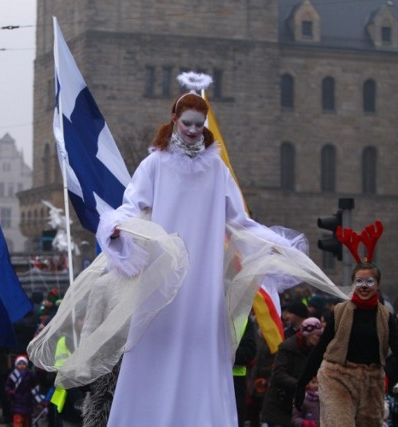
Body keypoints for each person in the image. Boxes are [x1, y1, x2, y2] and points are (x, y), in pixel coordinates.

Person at [93, 72, 306, 426]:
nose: (193, 130)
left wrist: (273, 245)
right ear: (174, 120)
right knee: (154, 344)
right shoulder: (155, 164)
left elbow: (240, 221)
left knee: (200, 348)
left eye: (199, 124)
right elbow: (132, 204)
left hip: (203, 279)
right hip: (162, 279)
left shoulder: (216, 172)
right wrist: (117, 228)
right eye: (187, 123)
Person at [296, 262, 398, 426]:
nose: (364, 286)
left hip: (371, 381)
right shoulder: (340, 311)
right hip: (338, 378)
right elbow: (320, 348)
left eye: (369, 282)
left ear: (377, 285)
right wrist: (302, 383)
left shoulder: (385, 316)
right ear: (353, 284)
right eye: (359, 281)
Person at [260, 317, 323, 426]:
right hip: (280, 404)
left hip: (300, 406)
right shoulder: (288, 348)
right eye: (317, 336)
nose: (319, 339)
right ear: (307, 334)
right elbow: (279, 374)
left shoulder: (315, 351)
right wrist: (301, 385)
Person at [5, 355, 45, 427]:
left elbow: (35, 384)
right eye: (20, 364)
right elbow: (8, 386)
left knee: (26, 421)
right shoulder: (13, 375)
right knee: (17, 420)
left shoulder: (30, 374)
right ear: (16, 365)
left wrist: (34, 394)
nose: (22, 366)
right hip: (16, 400)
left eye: (23, 364)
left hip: (27, 401)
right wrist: (10, 392)